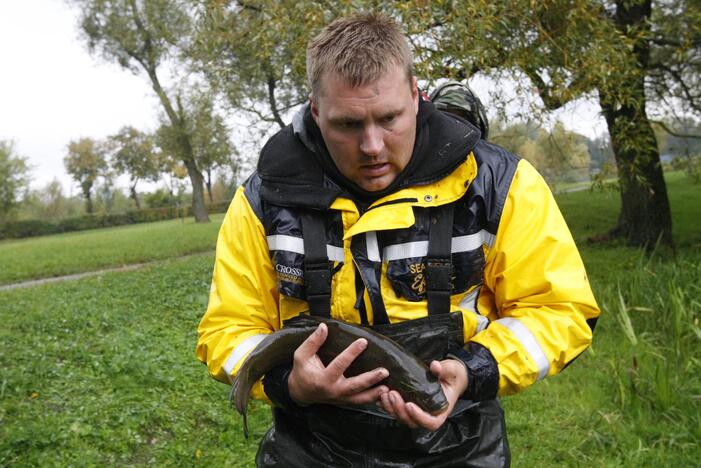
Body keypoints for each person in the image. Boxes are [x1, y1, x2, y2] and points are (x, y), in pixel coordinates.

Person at [197, 13, 600, 467]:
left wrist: (472, 371)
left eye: (388, 118)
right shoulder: (261, 201)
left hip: (459, 445)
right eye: (347, 125)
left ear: (415, 95)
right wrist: (289, 384)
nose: (372, 145)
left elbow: (562, 311)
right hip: (311, 447)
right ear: (315, 110)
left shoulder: (499, 183)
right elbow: (226, 331)